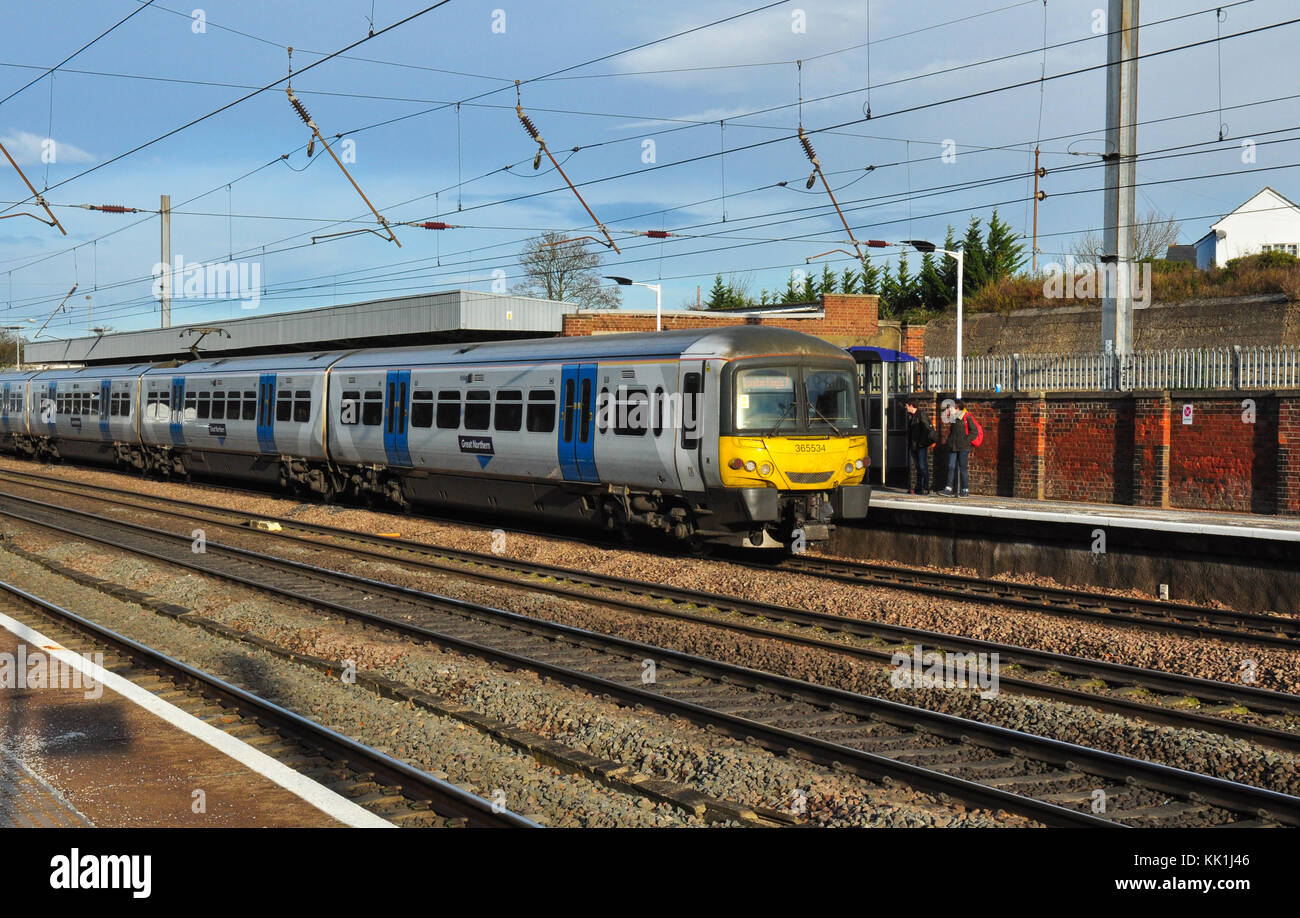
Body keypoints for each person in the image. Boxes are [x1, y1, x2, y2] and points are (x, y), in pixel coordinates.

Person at [941, 399, 972, 497]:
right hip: (953, 447)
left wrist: (966, 440)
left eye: (951, 407)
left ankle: (965, 489)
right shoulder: (953, 418)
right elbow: (952, 432)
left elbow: (974, 431)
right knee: (951, 466)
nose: (950, 409)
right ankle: (948, 488)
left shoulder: (967, 417)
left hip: (963, 447)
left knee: (963, 468)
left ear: (957, 408)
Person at [903, 398, 934, 494]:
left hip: (920, 445)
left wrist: (922, 443)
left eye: (907, 405)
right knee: (916, 467)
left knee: (922, 466)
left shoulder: (921, 415)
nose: (906, 407)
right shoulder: (911, 416)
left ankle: (926, 487)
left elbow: (928, 429)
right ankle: (918, 487)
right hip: (913, 446)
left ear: (911, 406)